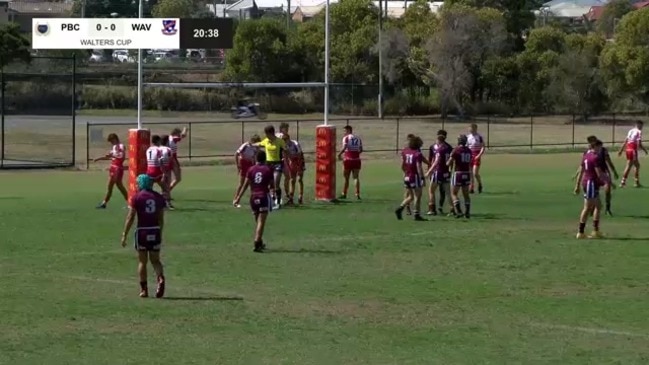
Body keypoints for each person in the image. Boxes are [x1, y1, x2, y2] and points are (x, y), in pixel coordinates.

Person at [120, 174, 167, 298]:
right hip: (155, 230)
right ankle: (160, 278)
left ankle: (144, 290)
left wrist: (124, 233)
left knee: (142, 261)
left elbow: (130, 217)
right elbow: (161, 219)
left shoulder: (136, 198)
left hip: (142, 232)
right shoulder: (158, 197)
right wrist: (159, 232)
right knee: (155, 260)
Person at [233, 151, 276, 252]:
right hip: (263, 196)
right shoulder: (268, 169)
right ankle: (257, 242)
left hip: (253, 198)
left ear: (256, 159)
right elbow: (272, 185)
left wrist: (238, 198)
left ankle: (260, 241)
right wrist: (273, 194)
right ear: (265, 159)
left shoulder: (251, 169)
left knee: (258, 220)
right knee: (261, 221)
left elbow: (245, 185)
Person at [573, 137, 618, 215]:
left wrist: (614, 171)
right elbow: (582, 166)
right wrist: (577, 174)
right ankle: (592, 209)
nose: (589, 144)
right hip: (593, 175)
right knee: (593, 193)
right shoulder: (586, 153)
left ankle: (607, 208)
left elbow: (609, 161)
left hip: (603, 172)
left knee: (607, 189)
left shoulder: (603, 150)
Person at [574, 138, 604, 239]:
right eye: (599, 147)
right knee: (587, 207)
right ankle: (580, 232)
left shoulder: (586, 156)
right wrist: (607, 181)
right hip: (590, 183)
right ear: (594, 146)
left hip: (587, 183)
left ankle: (595, 230)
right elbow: (599, 173)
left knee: (598, 206)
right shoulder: (595, 158)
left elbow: (581, 171)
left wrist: (577, 185)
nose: (600, 149)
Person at [253, 125, 286, 208]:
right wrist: (251, 144)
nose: (266, 135)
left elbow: (286, 150)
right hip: (268, 164)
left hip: (277, 163)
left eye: (267, 134)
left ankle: (278, 202)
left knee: (276, 182)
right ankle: (272, 199)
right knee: (269, 184)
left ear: (271, 133)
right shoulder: (266, 140)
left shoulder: (280, 141)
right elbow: (259, 144)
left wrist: (286, 157)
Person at [93, 133, 128, 209]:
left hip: (117, 168)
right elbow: (110, 156)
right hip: (113, 168)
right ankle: (104, 203)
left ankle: (130, 202)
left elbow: (122, 157)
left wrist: (112, 155)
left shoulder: (121, 146)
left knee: (119, 186)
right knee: (110, 186)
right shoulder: (114, 147)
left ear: (115, 139)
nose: (111, 143)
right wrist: (98, 158)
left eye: (111, 141)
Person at [395, 136, 426, 221]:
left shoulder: (405, 151)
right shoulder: (417, 154)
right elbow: (419, 167)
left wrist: (406, 172)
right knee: (417, 196)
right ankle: (417, 214)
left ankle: (400, 208)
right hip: (414, 176)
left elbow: (402, 165)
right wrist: (422, 178)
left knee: (411, 196)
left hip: (407, 176)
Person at [426, 131, 453, 216]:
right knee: (448, 192)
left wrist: (429, 171)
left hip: (438, 172)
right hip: (446, 172)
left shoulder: (439, 149)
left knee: (431, 190)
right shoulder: (448, 147)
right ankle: (453, 209)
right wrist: (450, 170)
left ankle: (432, 209)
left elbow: (435, 161)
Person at [448, 135, 472, 218]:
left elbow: (449, 162)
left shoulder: (456, 150)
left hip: (458, 173)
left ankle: (458, 211)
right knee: (466, 195)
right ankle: (467, 212)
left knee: (454, 193)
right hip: (467, 173)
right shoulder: (469, 150)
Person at [233, 135, 261, 207]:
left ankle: (253, 200)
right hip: (243, 163)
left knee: (252, 183)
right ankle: (235, 199)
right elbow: (236, 154)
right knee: (241, 183)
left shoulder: (256, 148)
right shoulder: (246, 145)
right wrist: (238, 165)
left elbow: (256, 157)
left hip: (250, 165)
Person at [618, 120, 647, 187]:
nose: (642, 127)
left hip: (628, 149)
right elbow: (639, 144)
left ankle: (626, 182)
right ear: (638, 125)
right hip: (633, 150)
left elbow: (626, 141)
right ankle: (632, 182)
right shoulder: (639, 132)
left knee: (632, 165)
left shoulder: (630, 131)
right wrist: (645, 150)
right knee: (634, 166)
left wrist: (621, 150)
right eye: (641, 125)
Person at [338, 125, 363, 200]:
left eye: (345, 131)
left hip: (348, 160)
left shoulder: (346, 138)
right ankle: (357, 193)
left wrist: (339, 154)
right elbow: (361, 149)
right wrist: (355, 153)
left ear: (349, 130)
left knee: (346, 178)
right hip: (357, 160)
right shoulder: (358, 138)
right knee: (356, 177)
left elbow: (345, 147)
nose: (344, 132)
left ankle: (344, 193)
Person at [281, 133, 306, 204]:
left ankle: (300, 196)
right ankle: (291, 198)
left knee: (299, 179)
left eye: (286, 140)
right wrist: (288, 165)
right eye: (283, 140)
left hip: (299, 160)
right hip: (291, 162)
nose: (285, 141)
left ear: (289, 139)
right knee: (292, 180)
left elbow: (299, 153)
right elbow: (285, 156)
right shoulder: (283, 146)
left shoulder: (295, 143)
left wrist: (291, 156)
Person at [168, 127, 188, 194]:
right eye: (178, 134)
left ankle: (166, 192)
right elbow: (183, 135)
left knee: (168, 178)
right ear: (176, 133)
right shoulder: (173, 139)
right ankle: (166, 192)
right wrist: (185, 129)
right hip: (172, 160)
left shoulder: (168, 138)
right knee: (178, 178)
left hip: (166, 160)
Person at [467, 123, 485, 194]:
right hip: (469, 156)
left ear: (475, 128)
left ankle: (480, 184)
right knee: (470, 173)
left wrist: (479, 155)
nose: (470, 129)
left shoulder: (479, 137)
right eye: (469, 128)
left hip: (476, 155)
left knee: (475, 173)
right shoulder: (468, 137)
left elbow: (483, 147)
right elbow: (466, 146)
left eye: (471, 128)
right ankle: (471, 187)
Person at [159, 135, 174, 209]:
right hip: (166, 169)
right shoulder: (168, 150)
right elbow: (169, 161)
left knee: (163, 186)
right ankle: (167, 203)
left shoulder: (158, 148)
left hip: (158, 169)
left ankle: (162, 202)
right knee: (167, 187)